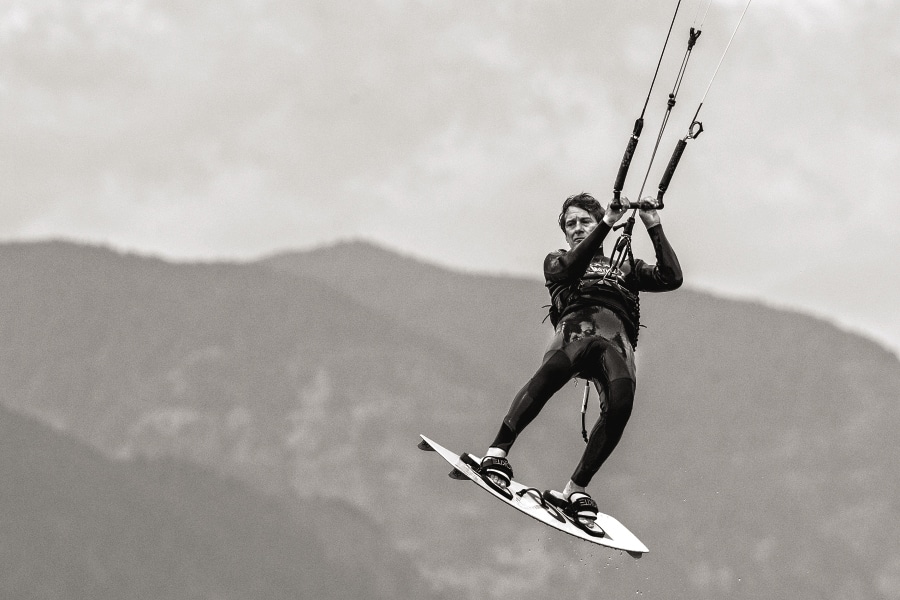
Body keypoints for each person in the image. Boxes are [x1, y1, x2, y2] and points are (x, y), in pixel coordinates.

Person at [477, 192, 682, 524]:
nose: (576, 228)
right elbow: (569, 269)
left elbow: (671, 278)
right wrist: (605, 223)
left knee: (621, 406)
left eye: (584, 221)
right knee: (551, 372)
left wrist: (653, 224)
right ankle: (497, 451)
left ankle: (576, 489)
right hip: (576, 331)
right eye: (570, 224)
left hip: (617, 343)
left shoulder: (625, 266)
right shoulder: (556, 260)